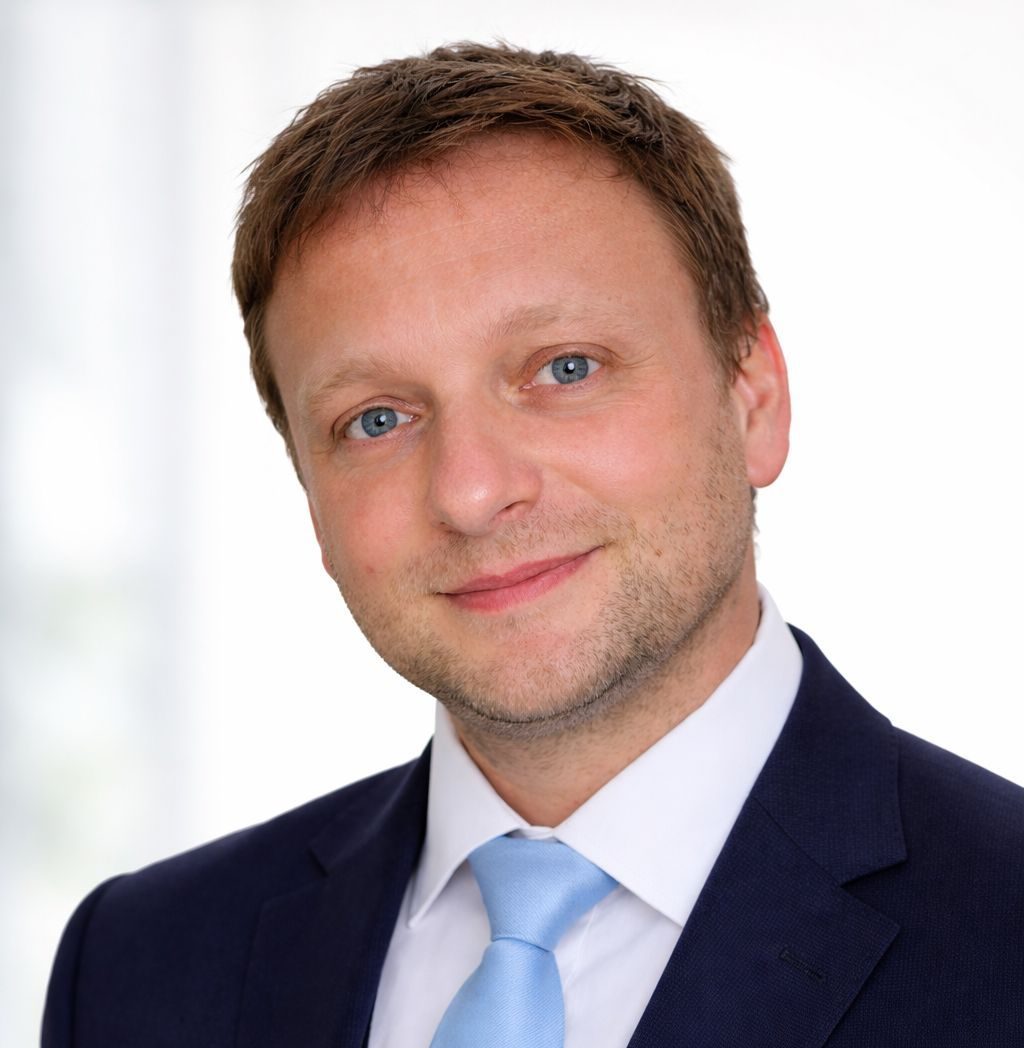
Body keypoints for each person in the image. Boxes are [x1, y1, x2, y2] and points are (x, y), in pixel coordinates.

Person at [43, 42, 1023, 1047]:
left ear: (753, 396)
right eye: (376, 420)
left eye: (565, 368)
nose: (471, 492)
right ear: (310, 495)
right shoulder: (136, 969)